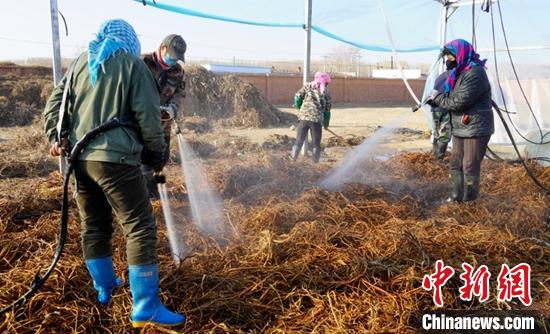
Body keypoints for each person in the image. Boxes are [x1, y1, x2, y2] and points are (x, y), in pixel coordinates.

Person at [43, 19, 185, 328]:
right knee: (140, 227)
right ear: (131, 42)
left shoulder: (82, 61)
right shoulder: (134, 66)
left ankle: (104, 288)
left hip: (80, 159)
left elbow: (55, 103)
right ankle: (146, 307)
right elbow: (148, 117)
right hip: (116, 159)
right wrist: (156, 151)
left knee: (94, 225)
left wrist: (57, 137)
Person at [426, 39, 494, 202]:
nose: (449, 61)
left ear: (461, 55)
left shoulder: (475, 73)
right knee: (456, 163)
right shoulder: (460, 72)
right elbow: (452, 97)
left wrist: (437, 98)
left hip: (475, 128)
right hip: (461, 126)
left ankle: (469, 202)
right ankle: (455, 198)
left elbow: (458, 102)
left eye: (451, 57)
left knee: (469, 165)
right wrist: (438, 98)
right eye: (447, 58)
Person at [141, 34, 187, 198]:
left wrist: (174, 107)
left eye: (177, 59)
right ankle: (143, 194)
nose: (173, 62)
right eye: (172, 57)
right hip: (142, 127)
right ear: (162, 48)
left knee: (161, 160)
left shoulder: (177, 72)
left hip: (164, 126)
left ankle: (157, 189)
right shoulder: (142, 63)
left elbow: (181, 93)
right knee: (145, 162)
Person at [290, 72, 332, 163]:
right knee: (316, 145)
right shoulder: (326, 93)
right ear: (326, 83)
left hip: (303, 119)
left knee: (298, 142)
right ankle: (314, 165)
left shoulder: (307, 87)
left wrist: (299, 106)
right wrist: (326, 125)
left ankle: (292, 161)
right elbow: (327, 112)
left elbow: (297, 97)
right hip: (316, 121)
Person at [431, 69, 451, 160]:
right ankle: (438, 160)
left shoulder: (440, 76)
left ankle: (434, 156)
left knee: (436, 133)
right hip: (444, 109)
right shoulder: (453, 76)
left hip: (435, 109)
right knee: (444, 136)